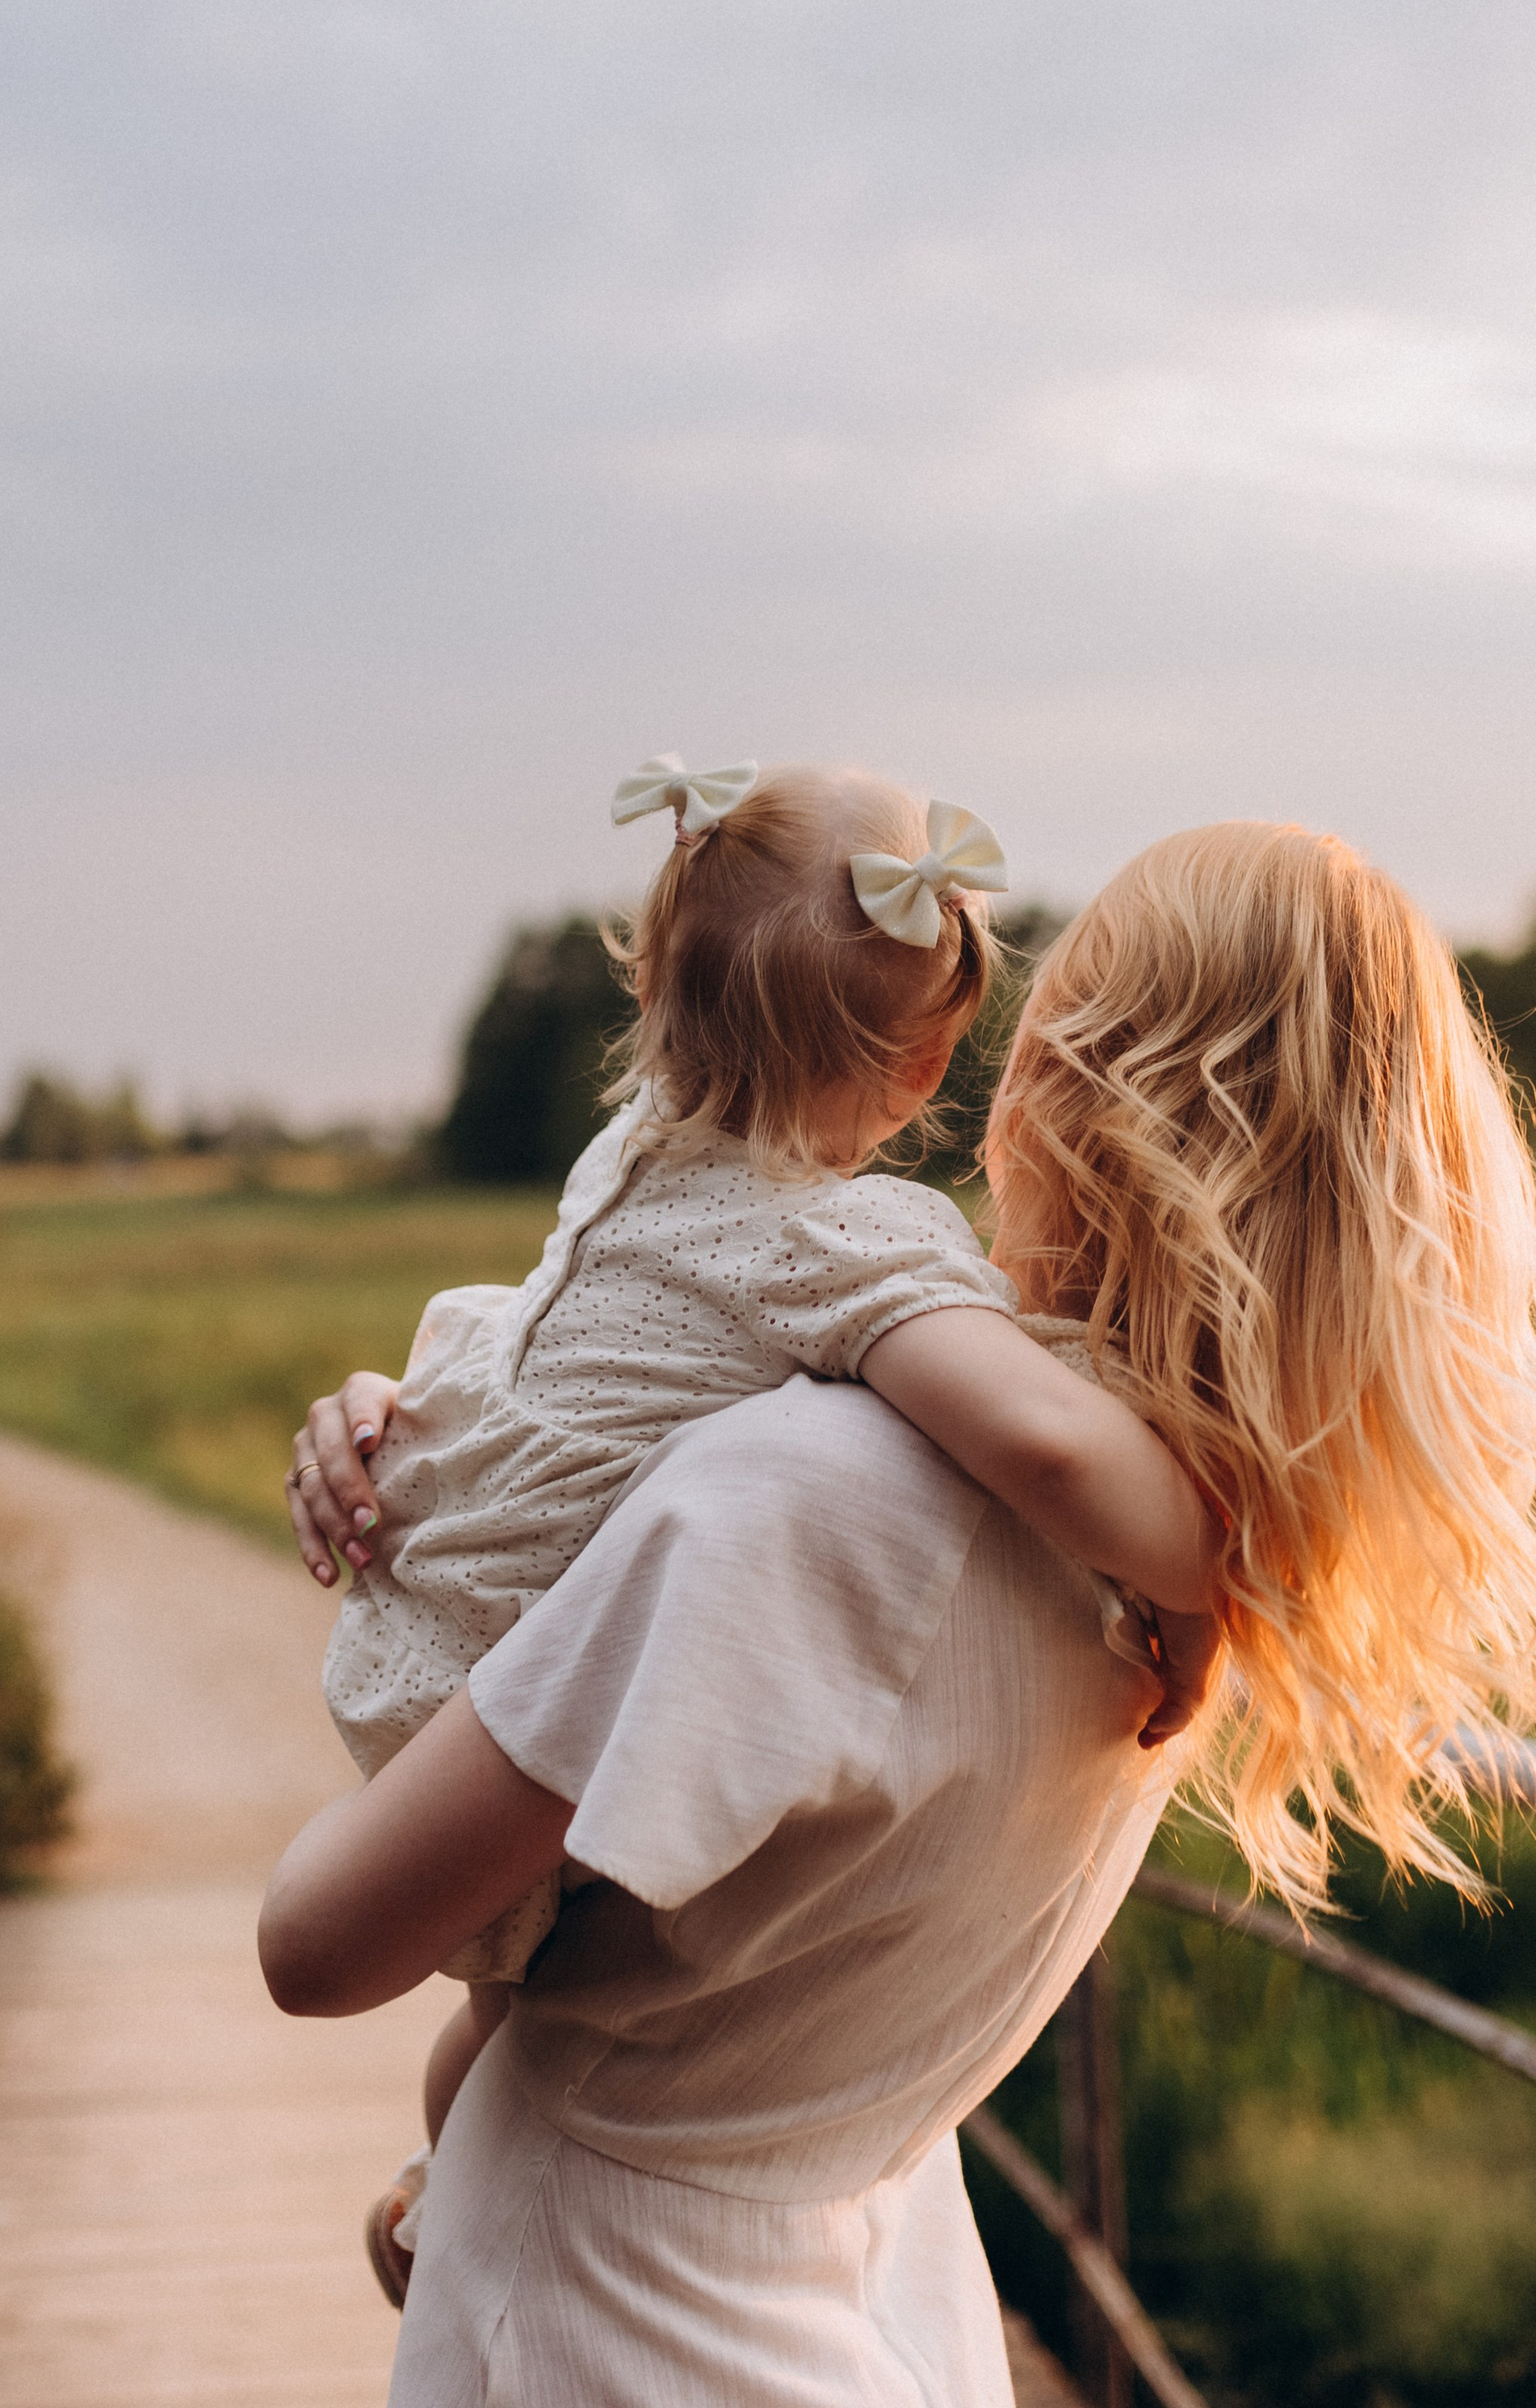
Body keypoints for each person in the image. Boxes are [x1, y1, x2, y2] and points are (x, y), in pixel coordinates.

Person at [268, 818, 1536, 2408]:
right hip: (891, 2387)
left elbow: (321, 1941)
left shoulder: (796, 1498)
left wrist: (428, 1527)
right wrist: (446, 1411)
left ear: (1066, 1088)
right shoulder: (1204, 1551)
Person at [290, 759, 1227, 2283]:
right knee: (529, 2015)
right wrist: (1204, 1573)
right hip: (506, 1707)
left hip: (418, 1647)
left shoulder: (634, 1153)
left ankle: (441, 2185)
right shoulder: (837, 1242)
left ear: (658, 996)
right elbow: (1053, 1452)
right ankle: (451, 2186)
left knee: (513, 2021)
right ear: (926, 1071)